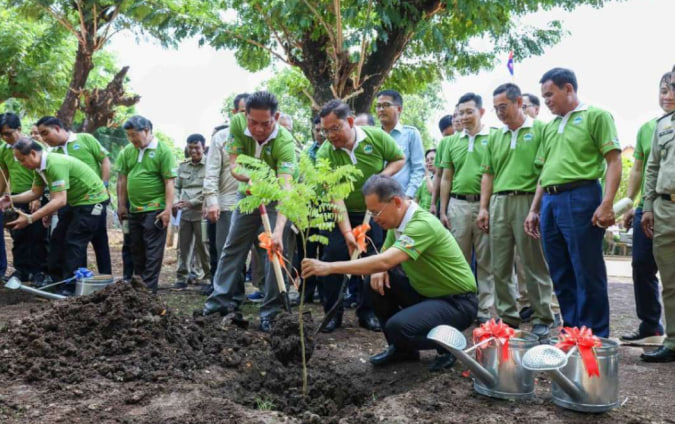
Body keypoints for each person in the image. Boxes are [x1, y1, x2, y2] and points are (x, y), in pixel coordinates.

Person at [302, 175, 477, 370]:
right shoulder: (397, 225)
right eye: (371, 213)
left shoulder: (422, 224)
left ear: (396, 202)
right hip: (427, 294)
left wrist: (329, 267)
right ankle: (402, 350)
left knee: (398, 327)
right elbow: (383, 259)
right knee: (373, 282)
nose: (375, 219)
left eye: (376, 212)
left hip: (457, 302)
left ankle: (449, 347)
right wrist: (380, 269)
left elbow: (385, 260)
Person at [529, 68, 621, 338]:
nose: (546, 101)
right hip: (550, 202)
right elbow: (544, 172)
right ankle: (571, 332)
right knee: (559, 270)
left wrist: (607, 203)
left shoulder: (596, 115)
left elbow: (614, 161)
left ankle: (594, 337)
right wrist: (534, 209)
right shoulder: (549, 127)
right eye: (543, 96)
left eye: (550, 94)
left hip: (581, 196)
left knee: (586, 269)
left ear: (568, 88)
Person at [203, 91, 296, 333]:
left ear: (276, 117)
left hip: (276, 199)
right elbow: (234, 165)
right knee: (232, 247)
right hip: (246, 195)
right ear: (245, 116)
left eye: (265, 123)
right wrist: (251, 177)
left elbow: (287, 190)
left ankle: (272, 312)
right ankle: (219, 304)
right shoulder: (236, 124)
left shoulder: (285, 142)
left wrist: (278, 231)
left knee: (275, 252)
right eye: (253, 122)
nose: (258, 129)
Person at [316, 99, 405, 332]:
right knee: (333, 256)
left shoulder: (376, 137)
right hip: (340, 213)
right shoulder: (325, 152)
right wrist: (347, 232)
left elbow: (399, 159)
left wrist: (380, 179)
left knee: (373, 258)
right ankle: (333, 313)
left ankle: (368, 312)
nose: (330, 135)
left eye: (335, 128)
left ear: (350, 121)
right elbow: (335, 196)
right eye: (325, 131)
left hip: (373, 213)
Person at [476, 83, 554, 338]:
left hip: (528, 200)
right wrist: (483, 208)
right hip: (499, 202)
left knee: (533, 263)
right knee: (499, 265)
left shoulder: (541, 129)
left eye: (504, 107)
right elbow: (488, 174)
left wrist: (536, 208)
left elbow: (545, 172)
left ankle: (542, 316)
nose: (500, 113)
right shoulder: (495, 136)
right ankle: (508, 318)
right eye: (496, 108)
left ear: (519, 102)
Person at [3, 138, 108, 286]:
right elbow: (35, 192)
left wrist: (30, 218)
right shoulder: (40, 168)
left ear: (33, 153)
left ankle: (71, 286)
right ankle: (56, 282)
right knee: (57, 240)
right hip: (74, 202)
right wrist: (10, 199)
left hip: (91, 201)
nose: (21, 164)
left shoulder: (54, 163)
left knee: (73, 242)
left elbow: (60, 200)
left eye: (22, 160)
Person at [620, 72, 674, 345]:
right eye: (663, 90)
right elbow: (642, 169)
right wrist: (633, 203)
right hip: (653, 205)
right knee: (644, 265)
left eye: (672, 89)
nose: (667, 95)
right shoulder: (651, 128)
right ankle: (653, 325)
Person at [439, 93, 496, 324]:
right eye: (460, 112)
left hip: (486, 207)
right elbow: (446, 178)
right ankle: (461, 307)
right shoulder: (451, 142)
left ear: (481, 112)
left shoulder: (494, 137)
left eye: (469, 112)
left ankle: (484, 310)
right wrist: (443, 210)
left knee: (485, 260)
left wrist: (486, 207)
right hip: (457, 205)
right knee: (459, 260)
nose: (463, 117)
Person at [36, 116, 112, 276]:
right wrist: (50, 210)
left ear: (57, 128)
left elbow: (105, 160)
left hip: (93, 200)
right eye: (41, 135)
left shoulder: (85, 139)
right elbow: (54, 186)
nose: (43, 138)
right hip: (68, 202)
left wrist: (104, 185)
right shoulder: (52, 154)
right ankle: (79, 278)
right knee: (73, 241)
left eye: (45, 133)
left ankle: (106, 277)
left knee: (99, 240)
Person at [116, 115, 177, 293]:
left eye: (134, 135)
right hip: (133, 209)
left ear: (147, 130)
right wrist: (121, 205)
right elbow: (122, 179)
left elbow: (169, 182)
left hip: (155, 209)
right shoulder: (128, 151)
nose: (131, 139)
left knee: (152, 251)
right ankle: (140, 289)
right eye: (128, 135)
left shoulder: (163, 151)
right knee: (136, 249)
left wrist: (167, 209)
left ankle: (148, 292)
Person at [639, 65, 675, 363]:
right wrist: (648, 207)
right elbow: (652, 168)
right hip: (665, 208)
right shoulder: (663, 126)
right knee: (670, 281)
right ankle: (673, 341)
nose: (671, 92)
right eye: (670, 85)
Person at [203, 93, 249, 296]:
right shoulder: (221, 138)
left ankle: (269, 297)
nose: (247, 117)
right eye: (243, 112)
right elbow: (211, 172)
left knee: (263, 253)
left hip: (257, 203)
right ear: (234, 112)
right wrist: (212, 201)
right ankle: (232, 297)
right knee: (228, 252)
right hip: (228, 204)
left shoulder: (261, 135)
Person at [0, 114, 47, 284]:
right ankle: (22, 270)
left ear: (19, 129)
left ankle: (39, 271)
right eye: (2, 135)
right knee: (18, 235)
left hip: (36, 195)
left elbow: (42, 171)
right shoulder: (4, 150)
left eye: (8, 133)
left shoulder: (34, 146)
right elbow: (4, 175)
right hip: (16, 197)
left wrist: (38, 197)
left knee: (38, 235)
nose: (5, 138)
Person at [173, 134, 210, 290]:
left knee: (204, 247)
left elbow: (209, 189)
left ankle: (207, 278)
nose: (193, 151)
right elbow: (176, 186)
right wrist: (176, 201)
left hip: (201, 213)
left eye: (197, 147)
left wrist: (192, 202)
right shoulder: (183, 166)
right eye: (190, 147)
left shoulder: (210, 165)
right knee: (183, 247)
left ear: (203, 147)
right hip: (184, 213)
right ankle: (182, 277)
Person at [376, 89, 425, 199]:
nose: (381, 109)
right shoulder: (374, 136)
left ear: (399, 109)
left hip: (401, 198)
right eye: (378, 106)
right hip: (377, 198)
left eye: (386, 105)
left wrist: (408, 196)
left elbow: (418, 168)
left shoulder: (411, 134)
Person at [430, 111, 461, 216]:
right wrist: (433, 203)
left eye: (453, 134)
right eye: (447, 136)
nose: (450, 138)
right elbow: (438, 175)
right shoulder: (443, 144)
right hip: (445, 198)